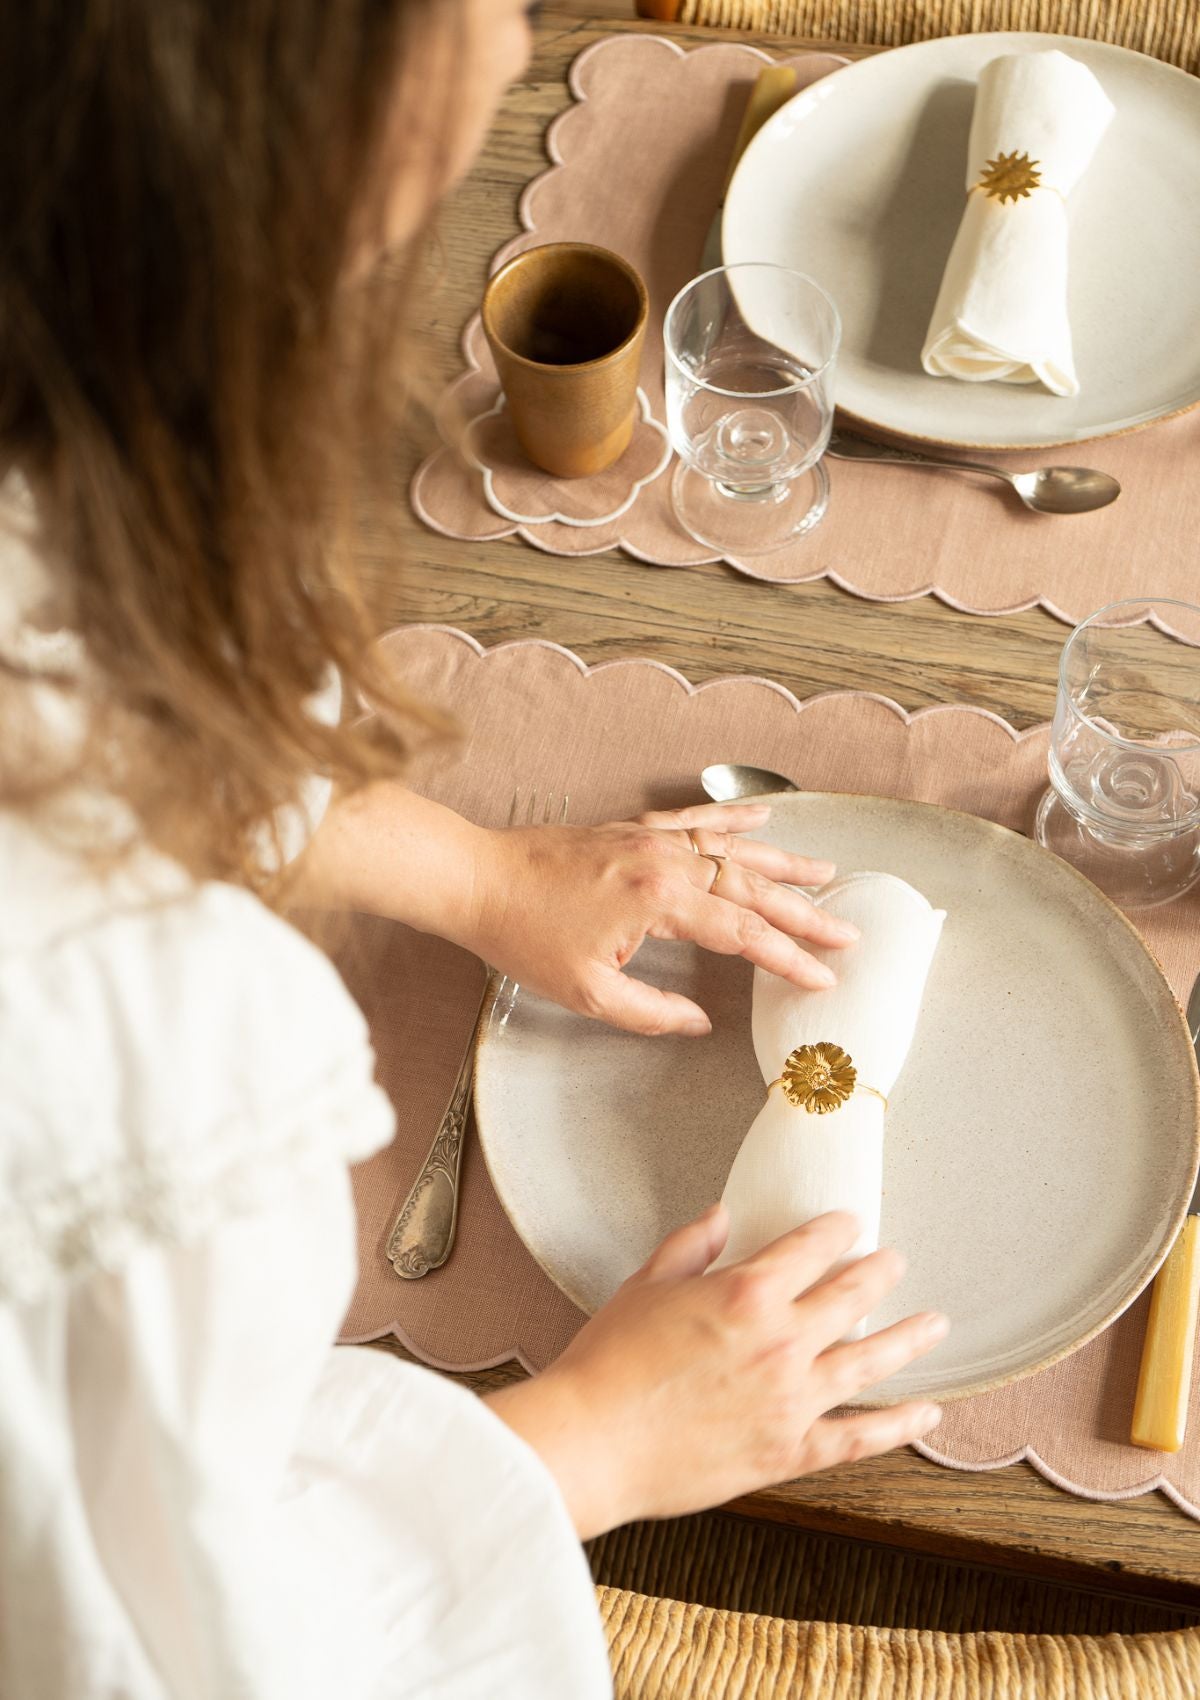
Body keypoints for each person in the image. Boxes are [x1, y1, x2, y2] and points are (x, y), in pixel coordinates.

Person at [0, 2, 949, 1695]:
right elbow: (165, 1644)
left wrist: (472, 872)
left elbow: (77, 689)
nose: (510, 38)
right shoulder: (103, 1045)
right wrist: (579, 1448)